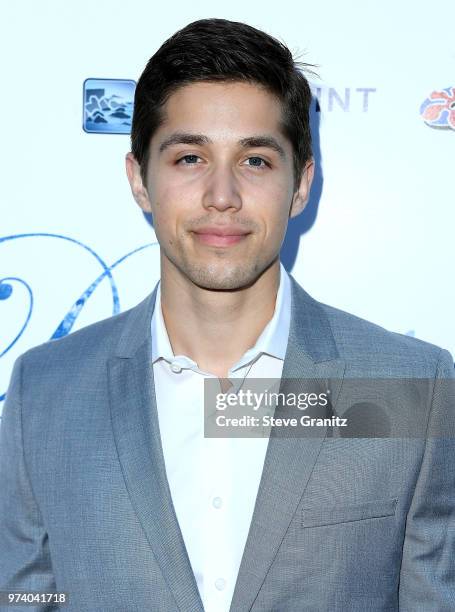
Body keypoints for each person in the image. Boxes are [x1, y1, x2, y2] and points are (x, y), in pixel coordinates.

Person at [0, 17, 454, 612]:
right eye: (190, 158)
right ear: (140, 180)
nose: (222, 195)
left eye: (256, 161)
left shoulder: (409, 387)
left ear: (301, 186)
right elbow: (28, 598)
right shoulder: (46, 392)